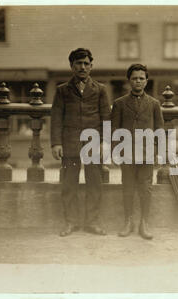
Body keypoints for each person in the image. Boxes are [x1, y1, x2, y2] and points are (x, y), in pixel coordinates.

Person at [51, 48, 111, 237]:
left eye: (86, 63)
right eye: (78, 63)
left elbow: (106, 118)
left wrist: (105, 142)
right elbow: (56, 118)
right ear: (71, 66)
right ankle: (71, 222)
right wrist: (56, 143)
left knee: (95, 183)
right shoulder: (62, 90)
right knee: (69, 184)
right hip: (70, 143)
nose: (82, 67)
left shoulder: (100, 89)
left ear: (91, 66)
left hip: (93, 144)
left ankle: (92, 222)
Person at [111, 64, 164, 240]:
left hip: (147, 153)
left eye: (141, 78)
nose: (138, 81)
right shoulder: (119, 104)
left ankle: (144, 222)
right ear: (129, 81)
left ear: (147, 81)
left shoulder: (154, 104)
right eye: (134, 78)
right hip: (127, 152)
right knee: (127, 187)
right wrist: (115, 151)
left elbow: (159, 130)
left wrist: (158, 153)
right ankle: (128, 221)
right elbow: (114, 130)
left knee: (146, 188)